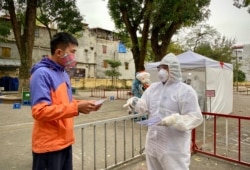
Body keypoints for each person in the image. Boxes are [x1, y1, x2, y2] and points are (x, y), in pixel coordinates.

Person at [30, 32, 102, 170]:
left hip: (65, 141)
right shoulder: (41, 74)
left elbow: (65, 101)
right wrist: (76, 108)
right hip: (48, 146)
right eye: (72, 52)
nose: (75, 57)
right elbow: (39, 111)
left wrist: (84, 105)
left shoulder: (62, 73)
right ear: (59, 52)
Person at [124, 53, 203, 170]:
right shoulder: (153, 88)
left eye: (165, 68)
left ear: (174, 69)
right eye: (160, 68)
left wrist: (175, 120)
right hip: (153, 142)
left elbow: (195, 117)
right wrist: (135, 102)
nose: (161, 71)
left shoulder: (185, 91)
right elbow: (144, 105)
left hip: (174, 147)